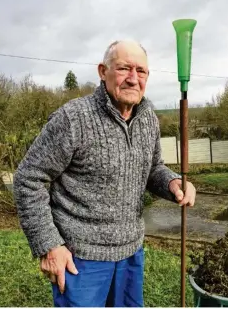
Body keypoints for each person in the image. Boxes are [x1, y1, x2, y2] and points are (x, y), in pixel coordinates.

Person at [13, 40, 196, 307]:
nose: (133, 79)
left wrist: (171, 182)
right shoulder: (74, 119)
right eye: (124, 68)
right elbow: (29, 179)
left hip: (131, 254)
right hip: (81, 260)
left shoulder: (148, 119)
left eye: (141, 71)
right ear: (102, 71)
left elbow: (152, 167)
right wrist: (50, 245)